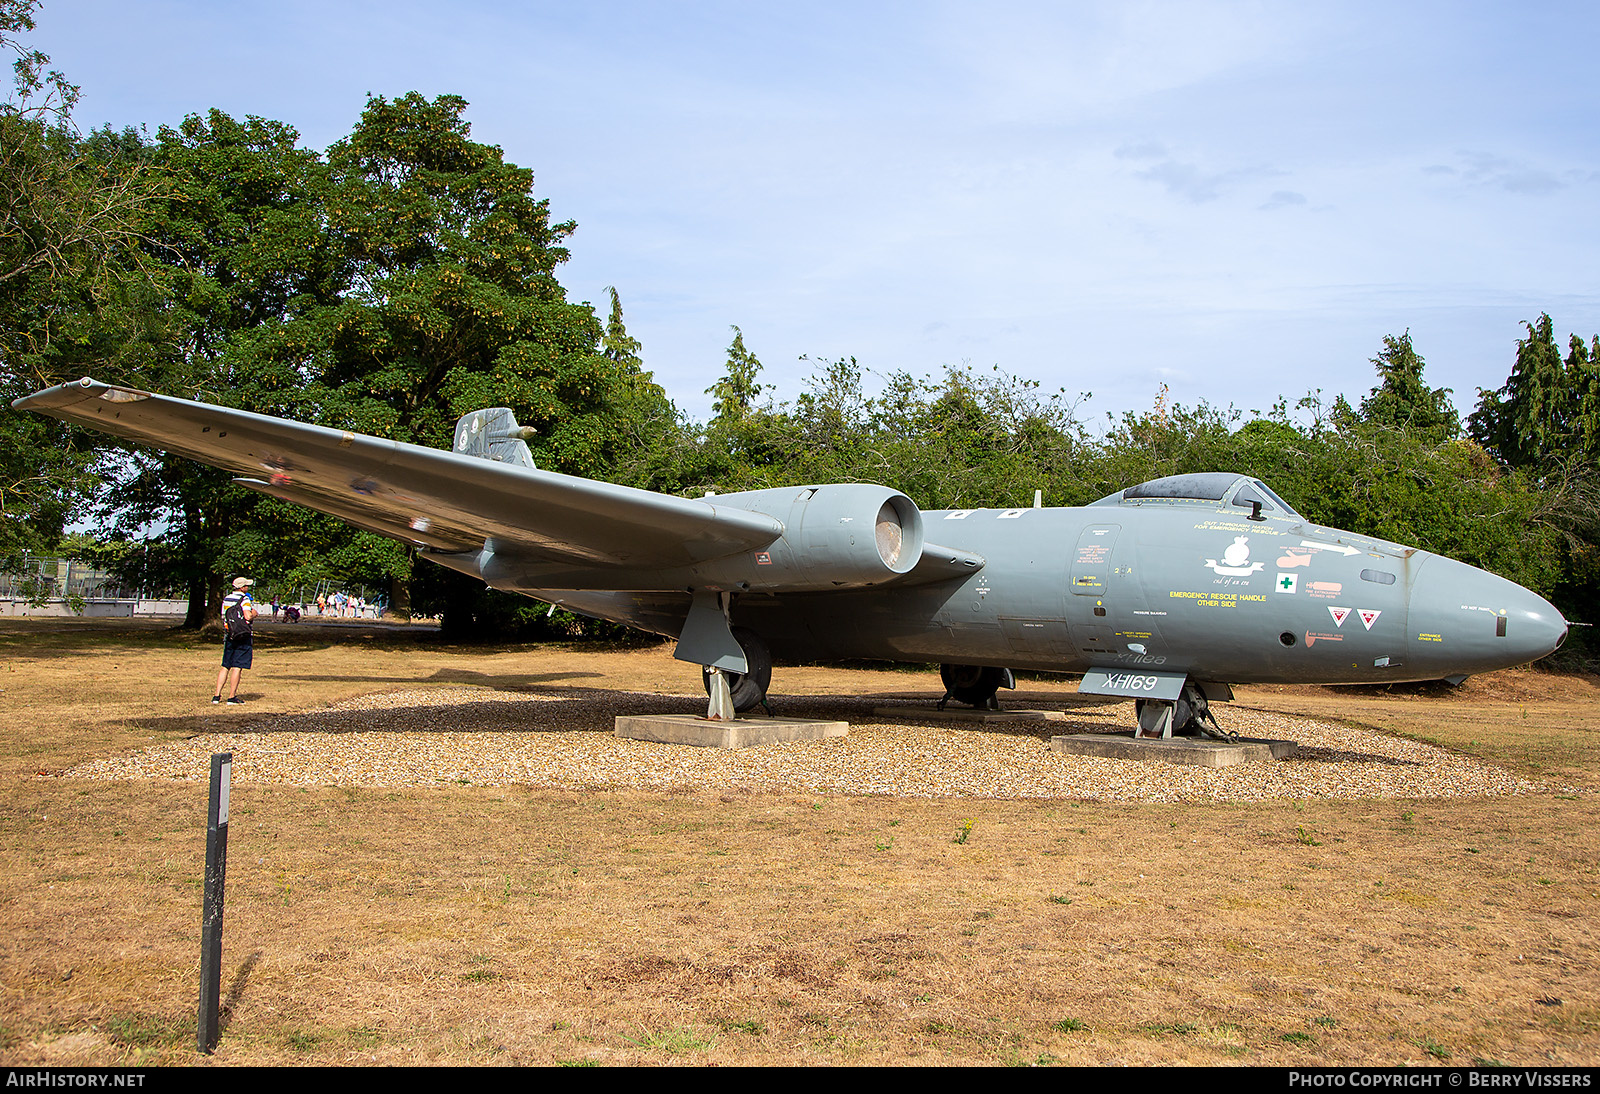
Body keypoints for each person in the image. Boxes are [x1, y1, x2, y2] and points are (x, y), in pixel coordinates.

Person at [212, 577, 257, 705]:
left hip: (229, 633)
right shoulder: (245, 599)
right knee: (237, 666)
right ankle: (231, 697)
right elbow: (248, 615)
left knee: (225, 665)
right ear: (242, 588)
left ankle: (216, 695)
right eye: (246, 586)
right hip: (242, 635)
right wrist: (254, 613)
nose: (248, 588)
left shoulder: (227, 599)